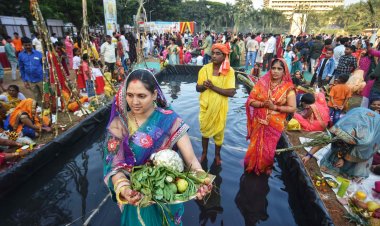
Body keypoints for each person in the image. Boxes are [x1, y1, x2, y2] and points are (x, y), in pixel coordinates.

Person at [103, 69, 211, 225]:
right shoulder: (119, 125)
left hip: (166, 195)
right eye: (130, 95)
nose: (134, 102)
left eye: (141, 96)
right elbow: (114, 166)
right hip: (136, 199)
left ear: (154, 94)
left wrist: (201, 179)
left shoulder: (169, 120)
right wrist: (125, 188)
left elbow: (191, 159)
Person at [245, 58, 296, 175]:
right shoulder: (262, 83)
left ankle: (263, 169)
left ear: (284, 71)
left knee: (268, 149)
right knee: (254, 145)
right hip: (259, 121)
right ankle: (251, 165)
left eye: (279, 69)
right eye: (273, 68)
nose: (275, 71)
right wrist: (262, 104)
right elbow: (250, 100)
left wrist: (275, 107)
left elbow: (292, 108)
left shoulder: (288, 88)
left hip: (274, 124)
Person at [302, 107, 380, 179]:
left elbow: (358, 150)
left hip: (365, 141)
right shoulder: (341, 127)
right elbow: (325, 140)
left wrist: (344, 159)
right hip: (356, 121)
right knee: (337, 150)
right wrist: (309, 155)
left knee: (353, 162)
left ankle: (348, 170)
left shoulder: (366, 141)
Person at [196, 43, 236, 165]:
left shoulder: (229, 71)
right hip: (206, 107)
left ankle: (217, 155)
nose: (214, 56)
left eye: (218, 54)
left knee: (219, 133)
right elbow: (198, 88)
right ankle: (204, 153)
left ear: (225, 56)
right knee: (205, 131)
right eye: (213, 53)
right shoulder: (204, 69)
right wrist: (204, 86)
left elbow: (231, 92)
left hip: (220, 108)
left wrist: (213, 87)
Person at [18, 37, 43, 106]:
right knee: (36, 95)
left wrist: (46, 77)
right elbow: (21, 68)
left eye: (29, 45)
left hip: (41, 78)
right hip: (30, 80)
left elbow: (45, 66)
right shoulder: (21, 55)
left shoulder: (39, 54)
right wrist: (25, 81)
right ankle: (42, 108)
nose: (28, 46)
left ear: (32, 45)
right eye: (26, 45)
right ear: (23, 45)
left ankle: (49, 107)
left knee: (46, 93)